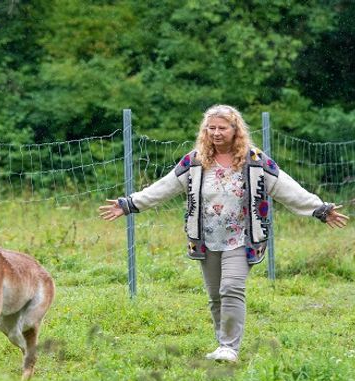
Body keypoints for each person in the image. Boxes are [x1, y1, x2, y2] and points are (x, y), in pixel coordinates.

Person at [99, 104, 349, 363]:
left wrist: (319, 209)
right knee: (216, 294)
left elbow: (287, 188)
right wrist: (129, 204)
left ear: (235, 130)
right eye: (211, 128)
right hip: (205, 239)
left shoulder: (254, 160)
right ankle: (222, 343)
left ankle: (230, 347)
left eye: (222, 128)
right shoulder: (195, 161)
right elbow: (164, 187)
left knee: (231, 287)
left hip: (242, 238)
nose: (216, 133)